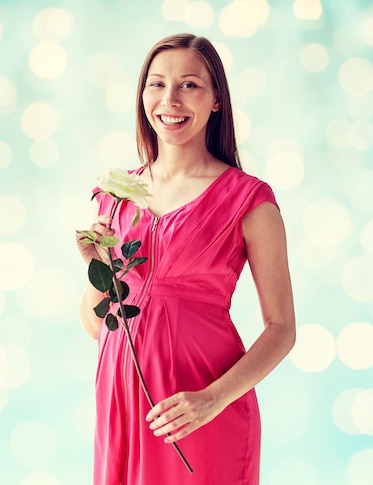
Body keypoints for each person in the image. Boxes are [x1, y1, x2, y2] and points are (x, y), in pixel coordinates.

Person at [77, 33, 296, 485]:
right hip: (123, 400)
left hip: (198, 409)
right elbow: (96, 324)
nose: (169, 99)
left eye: (189, 85)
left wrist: (212, 400)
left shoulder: (249, 200)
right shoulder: (115, 194)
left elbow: (282, 330)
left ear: (217, 99)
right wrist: (98, 271)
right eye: (156, 84)